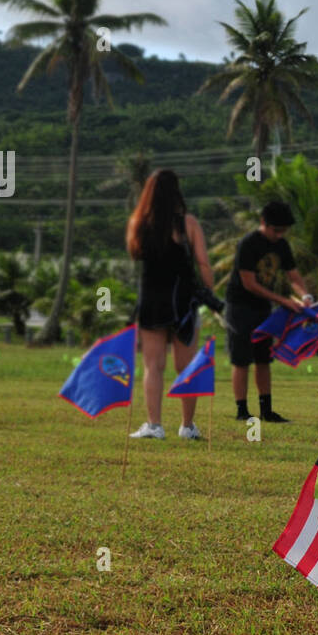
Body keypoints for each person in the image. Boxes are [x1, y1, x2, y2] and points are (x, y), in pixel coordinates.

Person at [126, 169, 216, 441]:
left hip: (152, 301)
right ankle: (187, 426)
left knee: (153, 366)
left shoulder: (139, 223)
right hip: (184, 302)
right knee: (186, 367)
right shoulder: (188, 224)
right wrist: (209, 293)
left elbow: (134, 252)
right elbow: (202, 262)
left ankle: (154, 425)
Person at [224, 199, 314, 423]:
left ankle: (266, 410)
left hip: (263, 308)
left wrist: (305, 296)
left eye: (284, 231)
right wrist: (283, 300)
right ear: (263, 222)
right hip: (240, 307)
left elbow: (293, 276)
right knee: (241, 360)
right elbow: (249, 283)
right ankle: (242, 410)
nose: (279, 235)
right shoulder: (248, 244)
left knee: (263, 359)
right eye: (276, 230)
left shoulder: (282, 245)